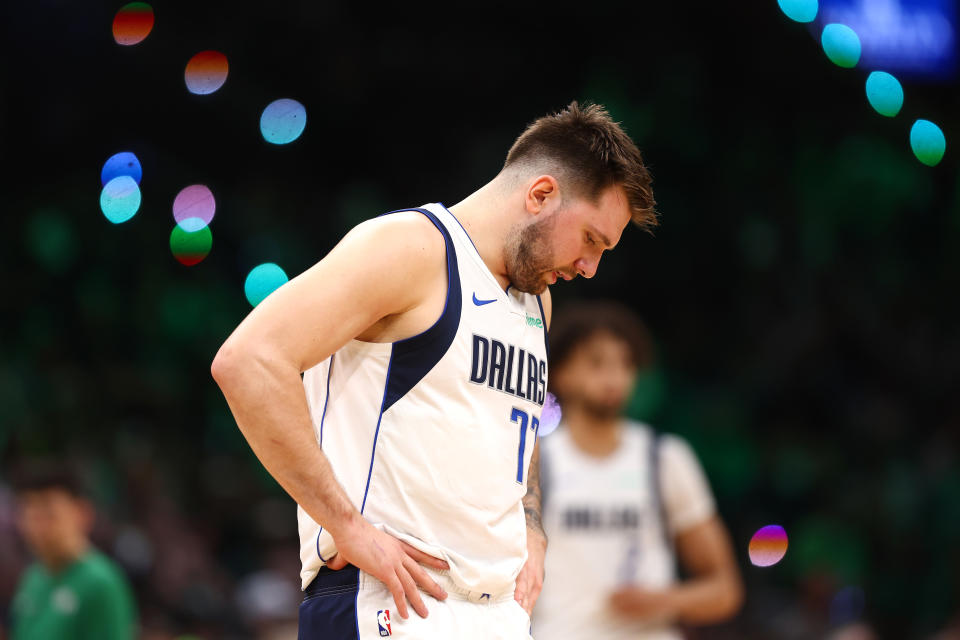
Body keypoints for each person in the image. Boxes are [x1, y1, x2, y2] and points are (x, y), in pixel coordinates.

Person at [211, 102, 657, 638]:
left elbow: (519, 419)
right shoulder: (412, 248)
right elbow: (248, 362)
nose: (590, 268)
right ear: (541, 195)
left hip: (497, 611)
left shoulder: (538, 301)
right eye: (591, 240)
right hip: (393, 600)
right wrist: (344, 524)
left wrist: (531, 527)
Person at [533, 302, 743, 639]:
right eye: (597, 363)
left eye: (625, 364)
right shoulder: (537, 460)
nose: (614, 377)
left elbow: (724, 589)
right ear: (561, 371)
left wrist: (664, 600)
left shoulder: (664, 458)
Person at [9, 462, 137, 640]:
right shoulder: (32, 579)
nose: (38, 526)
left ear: (82, 514)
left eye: (49, 514)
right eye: (30, 514)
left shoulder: (100, 583)